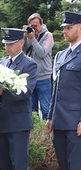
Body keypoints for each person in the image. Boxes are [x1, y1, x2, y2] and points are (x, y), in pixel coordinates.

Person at [0, 28, 37, 170]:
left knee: (19, 165)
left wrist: (2, 92)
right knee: (4, 165)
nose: (7, 47)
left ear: (21, 42)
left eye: (11, 44)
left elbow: (26, 92)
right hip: (2, 121)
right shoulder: (2, 62)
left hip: (18, 123)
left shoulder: (29, 64)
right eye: (6, 44)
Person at [45, 11, 81, 170]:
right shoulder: (60, 55)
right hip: (59, 121)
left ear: (80, 28)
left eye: (69, 27)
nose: (64, 31)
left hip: (76, 123)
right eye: (64, 27)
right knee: (63, 165)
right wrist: (50, 116)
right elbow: (56, 88)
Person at [23, 13, 54, 120]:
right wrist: (23, 36)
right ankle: (35, 134)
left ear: (42, 24)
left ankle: (46, 134)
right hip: (31, 77)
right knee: (32, 110)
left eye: (35, 26)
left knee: (46, 109)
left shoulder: (48, 35)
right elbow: (23, 52)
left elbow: (42, 53)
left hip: (43, 77)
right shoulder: (29, 35)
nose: (34, 28)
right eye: (31, 26)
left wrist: (32, 39)